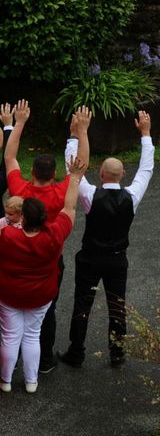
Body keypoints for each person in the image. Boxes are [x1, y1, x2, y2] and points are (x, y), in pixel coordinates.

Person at [59, 111, 154, 369]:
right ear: (122, 174)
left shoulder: (90, 195)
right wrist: (145, 134)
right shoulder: (131, 197)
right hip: (116, 261)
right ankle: (117, 353)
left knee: (82, 304)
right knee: (117, 306)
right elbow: (146, 168)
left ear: (100, 174)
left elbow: (73, 168)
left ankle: (76, 352)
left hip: (90, 258)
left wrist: (75, 134)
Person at [4, 101, 90, 373]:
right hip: (50, 258)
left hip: (17, 254)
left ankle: (12, 362)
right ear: (54, 175)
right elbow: (79, 171)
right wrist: (82, 133)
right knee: (47, 311)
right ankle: (43, 361)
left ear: (32, 172)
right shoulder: (60, 194)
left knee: (14, 313)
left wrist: (19, 123)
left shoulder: (20, 188)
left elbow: (9, 158)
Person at [0, 155, 86, 393]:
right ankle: (31, 381)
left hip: (9, 292)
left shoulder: (7, 235)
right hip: (41, 294)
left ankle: (5, 380)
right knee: (32, 336)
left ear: (22, 218)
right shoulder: (55, 235)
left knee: (10, 336)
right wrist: (74, 178)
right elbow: (70, 207)